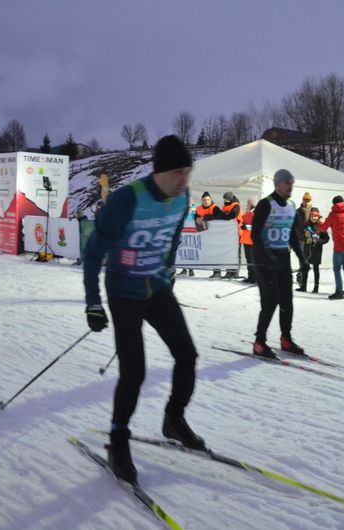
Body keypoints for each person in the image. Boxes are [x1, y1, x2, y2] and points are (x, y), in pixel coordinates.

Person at [83, 135, 204, 484]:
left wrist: (167, 266)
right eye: (179, 171)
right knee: (134, 372)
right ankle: (118, 440)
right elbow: (93, 253)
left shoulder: (182, 199)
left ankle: (174, 419)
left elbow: (175, 235)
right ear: (161, 171)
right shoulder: (127, 200)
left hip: (156, 286)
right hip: (123, 291)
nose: (185, 179)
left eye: (188, 171)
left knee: (187, 354)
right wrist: (93, 302)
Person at [251, 169, 306, 358]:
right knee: (270, 301)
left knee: (287, 301)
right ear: (277, 184)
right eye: (286, 182)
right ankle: (259, 341)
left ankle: (286, 338)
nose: (290, 186)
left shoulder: (291, 206)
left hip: (283, 257)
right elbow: (254, 235)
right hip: (264, 260)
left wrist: (302, 258)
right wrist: (266, 256)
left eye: (291, 182)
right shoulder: (266, 204)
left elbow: (292, 235)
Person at [318, 195, 344, 300]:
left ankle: (339, 292)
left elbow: (323, 228)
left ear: (334, 204)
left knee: (337, 269)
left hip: (339, 246)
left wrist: (319, 223)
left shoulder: (333, 214)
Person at [297, 207, 329, 293]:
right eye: (312, 216)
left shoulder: (321, 226)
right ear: (310, 216)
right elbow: (299, 235)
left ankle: (316, 288)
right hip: (307, 249)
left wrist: (318, 241)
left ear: (318, 217)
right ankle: (303, 286)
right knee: (305, 267)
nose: (314, 218)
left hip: (317, 250)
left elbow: (326, 239)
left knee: (316, 269)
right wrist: (305, 238)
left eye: (315, 216)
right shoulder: (305, 225)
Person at [194, 191, 222, 277]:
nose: (206, 201)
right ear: (202, 200)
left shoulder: (215, 208)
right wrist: (197, 218)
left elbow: (219, 216)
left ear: (210, 200)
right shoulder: (199, 208)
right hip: (204, 235)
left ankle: (217, 271)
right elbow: (195, 216)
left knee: (216, 253)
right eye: (204, 200)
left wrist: (204, 218)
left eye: (208, 200)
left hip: (215, 235)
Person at [219, 191, 241, 279]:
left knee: (236, 253)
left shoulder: (236, 205)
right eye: (224, 199)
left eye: (226, 198)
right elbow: (221, 215)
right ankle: (228, 272)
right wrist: (225, 215)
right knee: (228, 253)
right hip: (227, 233)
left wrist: (225, 215)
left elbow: (231, 216)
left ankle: (235, 272)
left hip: (236, 233)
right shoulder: (225, 206)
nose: (225, 200)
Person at [240, 197, 257, 283]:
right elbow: (243, 223)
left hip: (252, 241)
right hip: (246, 239)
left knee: (252, 260)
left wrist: (247, 226)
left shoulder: (256, 213)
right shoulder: (247, 213)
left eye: (248, 204)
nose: (247, 205)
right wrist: (243, 225)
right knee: (249, 260)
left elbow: (257, 227)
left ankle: (255, 277)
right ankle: (251, 276)